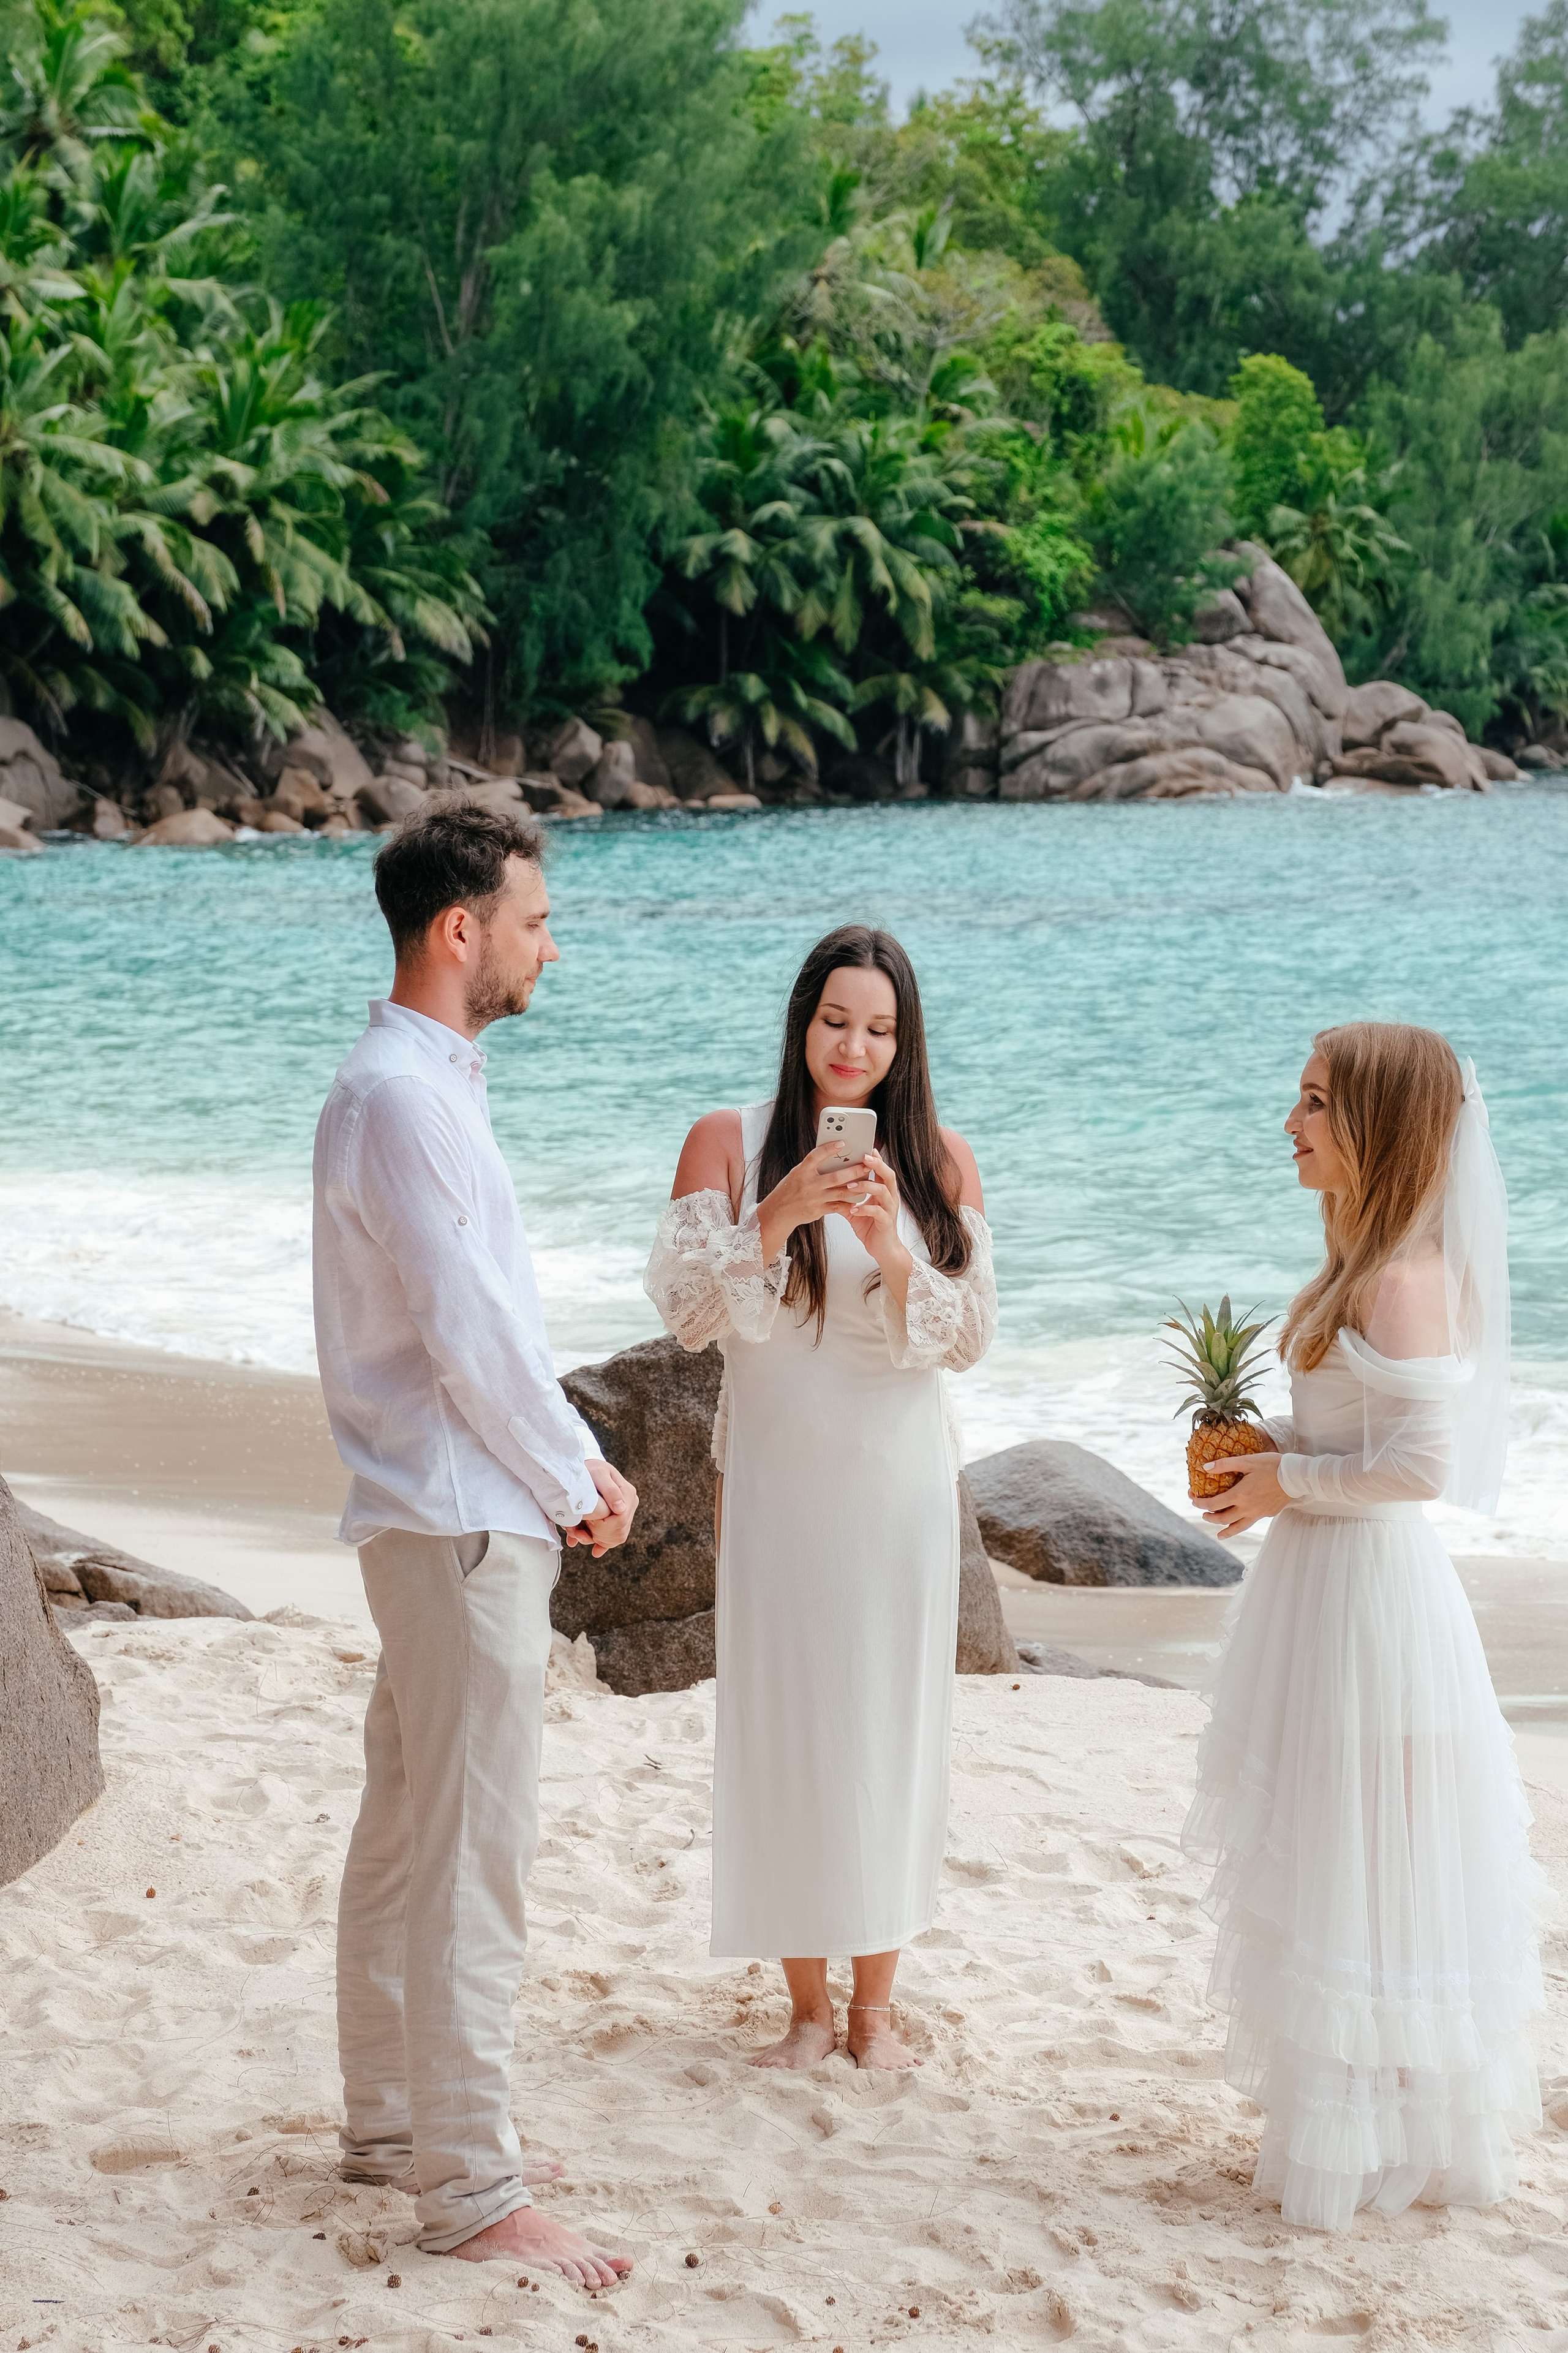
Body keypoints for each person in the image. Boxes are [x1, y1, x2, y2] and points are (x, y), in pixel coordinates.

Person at [313, 798, 639, 2285]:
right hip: (459, 1516)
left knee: (407, 1828)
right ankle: (470, 2183)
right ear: (463, 931)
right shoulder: (402, 1097)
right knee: (467, 1853)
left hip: (433, 1510)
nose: (547, 946)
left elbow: (472, 1320)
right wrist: (579, 1471)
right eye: (533, 922)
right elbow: (470, 1336)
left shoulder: (414, 1085)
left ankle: (397, 2123)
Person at [1183, 1021, 1546, 2232]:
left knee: (1373, 1860)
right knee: (1329, 1848)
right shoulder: (1359, 1260)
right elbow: (1363, 1443)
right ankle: (1344, 2122)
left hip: (1372, 1600)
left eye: (1314, 1103)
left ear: (1379, 1125)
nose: (1289, 1124)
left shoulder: (1401, 1275)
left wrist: (1290, 1483)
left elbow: (1422, 1465)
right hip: (1320, 1582)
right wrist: (1269, 1457)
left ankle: (1380, 2139)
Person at [644, 923, 997, 2069]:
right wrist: (781, 1210)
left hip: (895, 1491)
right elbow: (688, 1311)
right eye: (837, 1019)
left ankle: (875, 2009)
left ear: (905, 1043)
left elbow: (970, 1335)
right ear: (803, 1020)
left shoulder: (940, 1159)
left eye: (881, 1028)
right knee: (788, 1728)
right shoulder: (728, 1142)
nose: (855, 1045)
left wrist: (893, 1247)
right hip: (781, 1488)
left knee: (890, 1730)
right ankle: (803, 2006)